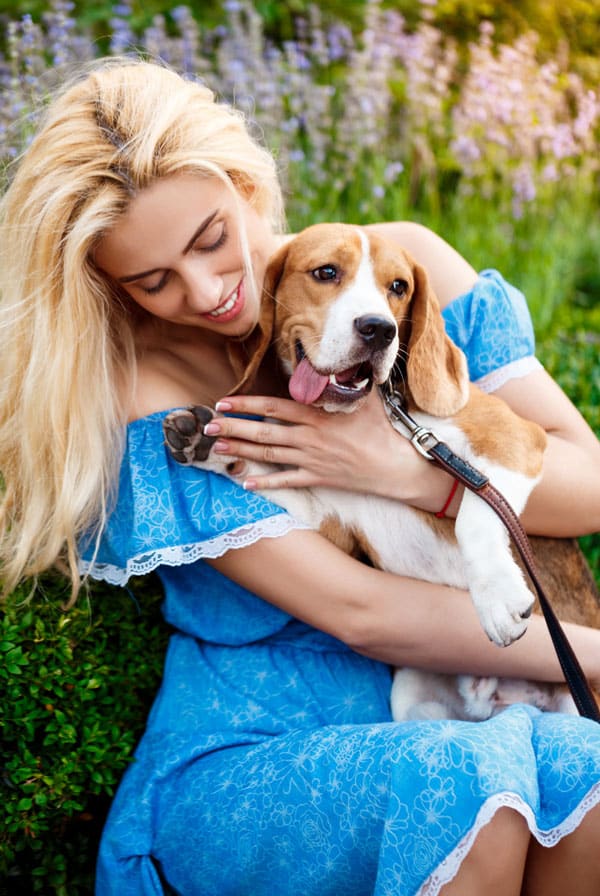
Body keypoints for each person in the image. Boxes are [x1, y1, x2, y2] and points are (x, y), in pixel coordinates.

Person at [1, 57, 600, 896]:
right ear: (110, 285)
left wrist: (404, 470)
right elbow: (365, 611)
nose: (207, 291)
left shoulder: (405, 268)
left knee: (587, 771)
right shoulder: (155, 393)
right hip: (256, 751)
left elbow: (590, 482)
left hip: (454, 708)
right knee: (472, 785)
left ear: (246, 183)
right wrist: (591, 661)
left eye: (211, 239)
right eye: (152, 280)